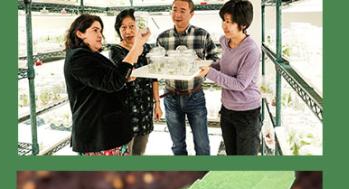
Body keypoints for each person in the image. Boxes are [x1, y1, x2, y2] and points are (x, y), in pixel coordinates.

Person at [63, 14, 150, 155]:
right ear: (80, 33)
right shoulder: (78, 58)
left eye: (101, 31)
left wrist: (124, 78)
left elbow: (105, 80)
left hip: (107, 134)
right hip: (99, 137)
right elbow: (113, 82)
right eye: (95, 30)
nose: (100, 35)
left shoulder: (90, 55)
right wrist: (136, 47)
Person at [199, 0, 262, 155]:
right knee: (231, 155)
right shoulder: (225, 41)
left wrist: (209, 73)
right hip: (227, 109)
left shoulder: (251, 50)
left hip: (247, 112)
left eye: (231, 22)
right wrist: (204, 66)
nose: (225, 26)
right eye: (224, 20)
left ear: (244, 25)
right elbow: (224, 64)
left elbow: (241, 84)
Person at [156, 0, 219, 155]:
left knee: (202, 145)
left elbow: (215, 61)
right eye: (174, 10)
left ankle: (205, 176)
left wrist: (203, 68)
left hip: (195, 96)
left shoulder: (202, 35)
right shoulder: (163, 38)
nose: (177, 14)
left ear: (191, 14)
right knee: (177, 146)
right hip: (171, 97)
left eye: (182, 10)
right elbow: (156, 67)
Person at [109, 9, 163, 155]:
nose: (128, 31)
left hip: (145, 108)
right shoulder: (116, 51)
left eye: (132, 26)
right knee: (126, 153)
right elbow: (124, 77)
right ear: (118, 30)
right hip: (126, 110)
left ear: (139, 26)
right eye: (123, 27)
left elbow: (154, 78)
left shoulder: (147, 48)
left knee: (140, 152)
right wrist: (137, 45)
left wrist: (157, 104)